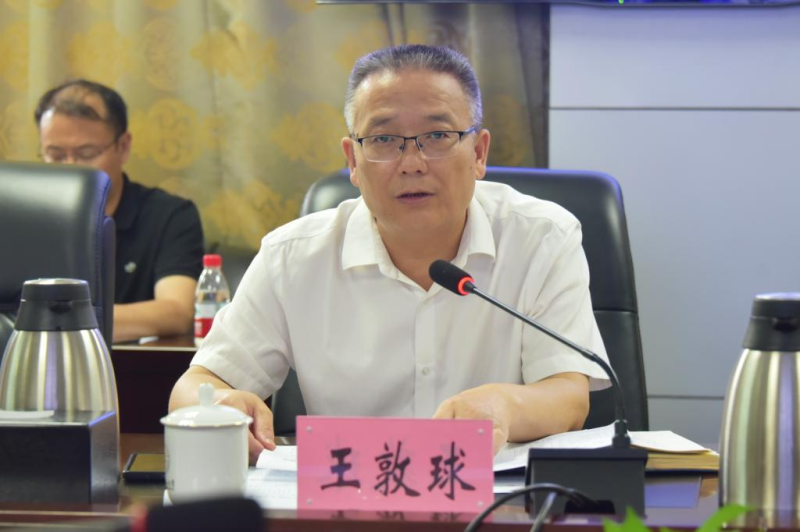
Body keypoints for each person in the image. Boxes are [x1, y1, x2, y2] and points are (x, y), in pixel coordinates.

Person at [170, 44, 610, 462]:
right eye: (383, 139)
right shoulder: (292, 257)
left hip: (501, 497)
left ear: (479, 153)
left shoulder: (542, 237)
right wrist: (222, 404)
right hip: (349, 498)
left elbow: (569, 397)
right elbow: (195, 385)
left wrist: (505, 407)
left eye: (437, 135)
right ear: (352, 161)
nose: (412, 163)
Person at [35, 80, 204, 343]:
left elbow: (176, 311)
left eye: (86, 153)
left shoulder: (170, 215)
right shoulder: (27, 220)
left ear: (123, 147)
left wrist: (56, 321)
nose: (70, 168)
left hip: (134, 365)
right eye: (55, 155)